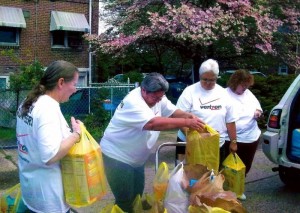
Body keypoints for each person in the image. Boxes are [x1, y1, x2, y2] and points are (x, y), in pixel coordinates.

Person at [100, 72, 205, 212]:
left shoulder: (158, 96)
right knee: (125, 199)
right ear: (143, 90)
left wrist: (188, 115)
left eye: (160, 97)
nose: (158, 101)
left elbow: (172, 112)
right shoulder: (133, 102)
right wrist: (186, 122)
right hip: (117, 156)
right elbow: (153, 123)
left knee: (137, 194)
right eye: (155, 97)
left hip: (135, 159)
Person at [16, 60, 82, 213]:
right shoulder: (48, 108)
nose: (75, 89)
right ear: (61, 82)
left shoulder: (29, 101)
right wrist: (76, 134)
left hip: (30, 190)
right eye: (74, 83)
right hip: (48, 200)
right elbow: (50, 155)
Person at [175, 59, 238, 168]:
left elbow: (230, 121)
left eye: (212, 80)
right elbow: (178, 118)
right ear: (200, 76)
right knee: (187, 178)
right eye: (205, 79)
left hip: (216, 145)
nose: (208, 83)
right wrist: (196, 138)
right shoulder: (189, 92)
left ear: (216, 77)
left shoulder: (224, 94)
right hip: (190, 144)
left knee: (212, 178)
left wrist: (233, 141)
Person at [224, 69, 263, 175]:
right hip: (233, 140)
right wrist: (233, 142)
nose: (245, 88)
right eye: (243, 85)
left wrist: (258, 112)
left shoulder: (248, 93)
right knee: (230, 170)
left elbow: (257, 106)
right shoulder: (224, 95)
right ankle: (228, 189)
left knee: (245, 168)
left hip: (251, 137)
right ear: (234, 82)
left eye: (247, 85)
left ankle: (238, 188)